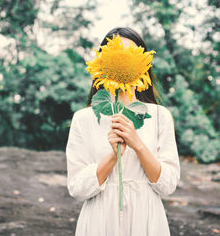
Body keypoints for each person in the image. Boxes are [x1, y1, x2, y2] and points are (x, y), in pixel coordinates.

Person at [65, 27, 181, 236]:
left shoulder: (159, 116)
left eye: (131, 54)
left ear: (142, 63)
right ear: (102, 60)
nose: (124, 59)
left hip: (146, 219)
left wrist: (137, 144)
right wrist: (112, 156)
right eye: (117, 53)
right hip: (99, 220)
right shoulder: (83, 119)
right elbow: (77, 187)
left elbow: (168, 185)